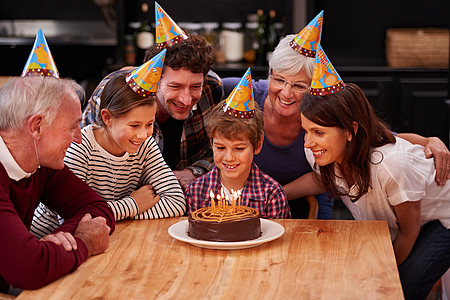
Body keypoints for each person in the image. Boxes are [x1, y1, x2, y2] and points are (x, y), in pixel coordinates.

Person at [223, 23, 450, 219]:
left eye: (299, 85)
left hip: (310, 201)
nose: (286, 93)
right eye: (279, 79)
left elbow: (381, 138)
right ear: (270, 74)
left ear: (315, 88)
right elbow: (202, 83)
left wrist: (429, 140)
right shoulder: (243, 93)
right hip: (248, 202)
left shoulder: (325, 112)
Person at [299, 45, 450, 300]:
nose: (307, 142)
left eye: (318, 132)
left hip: (442, 219)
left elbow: (408, 231)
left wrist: (383, 273)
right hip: (408, 216)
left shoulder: (392, 166)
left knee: (401, 287)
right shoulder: (324, 153)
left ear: (350, 131)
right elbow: (321, 180)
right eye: (306, 130)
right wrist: (279, 191)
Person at [31, 50, 186, 238]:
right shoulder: (80, 147)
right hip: (46, 239)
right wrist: (133, 205)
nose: (143, 133)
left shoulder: (145, 144)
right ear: (107, 118)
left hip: (107, 235)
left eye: (149, 124)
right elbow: (75, 221)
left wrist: (111, 215)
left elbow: (176, 202)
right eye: (134, 125)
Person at [81, 4, 223, 190]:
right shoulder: (113, 95)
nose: (186, 99)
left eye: (195, 86)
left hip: (186, 197)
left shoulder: (212, 88)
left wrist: (193, 172)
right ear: (155, 79)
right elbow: (86, 160)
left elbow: (221, 147)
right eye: (175, 86)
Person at [0, 75, 115, 294]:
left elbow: (98, 209)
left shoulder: (41, 163)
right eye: (73, 126)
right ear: (37, 126)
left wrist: (56, 246)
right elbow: (28, 268)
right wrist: (84, 242)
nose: (79, 138)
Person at [186, 69, 290, 219]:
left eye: (239, 148)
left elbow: (280, 239)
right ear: (211, 143)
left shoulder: (272, 195)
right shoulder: (196, 191)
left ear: (258, 144)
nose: (229, 157)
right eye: (220, 147)